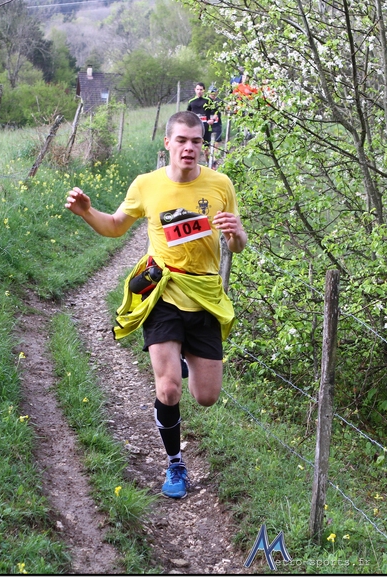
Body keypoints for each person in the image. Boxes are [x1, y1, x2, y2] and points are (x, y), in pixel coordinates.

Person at [65, 111, 247, 499]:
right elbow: (115, 226)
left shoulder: (220, 184)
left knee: (207, 397)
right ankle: (175, 463)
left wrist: (237, 235)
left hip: (205, 296)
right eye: (181, 140)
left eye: (196, 141)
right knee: (168, 390)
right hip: (162, 293)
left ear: (202, 145)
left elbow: (236, 243)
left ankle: (182, 358)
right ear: (167, 143)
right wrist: (86, 213)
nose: (189, 148)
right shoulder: (146, 184)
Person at [185, 82, 212, 151]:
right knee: (195, 146)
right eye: (198, 89)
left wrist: (212, 120)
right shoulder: (191, 101)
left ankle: (207, 157)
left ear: (204, 90)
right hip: (195, 126)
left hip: (206, 126)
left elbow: (215, 112)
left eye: (201, 89)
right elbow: (188, 114)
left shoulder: (208, 101)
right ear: (195, 90)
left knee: (206, 147)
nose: (199, 91)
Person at [206, 87, 224, 166]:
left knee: (216, 143)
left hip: (217, 124)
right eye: (211, 93)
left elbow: (219, 111)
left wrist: (214, 118)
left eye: (214, 93)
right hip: (207, 124)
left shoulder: (219, 101)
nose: (212, 95)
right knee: (207, 145)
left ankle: (214, 161)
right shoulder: (205, 100)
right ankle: (208, 161)